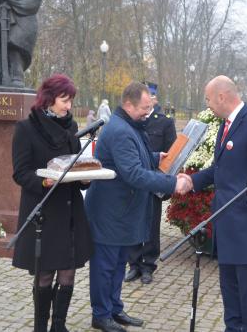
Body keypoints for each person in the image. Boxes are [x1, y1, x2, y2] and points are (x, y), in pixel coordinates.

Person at [178, 75, 247, 332]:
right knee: (230, 289)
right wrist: (192, 181)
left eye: (209, 99)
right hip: (226, 221)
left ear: (222, 96)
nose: (208, 104)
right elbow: (220, 169)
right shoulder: (226, 124)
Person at [84, 82, 188, 332]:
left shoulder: (129, 125)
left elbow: (132, 158)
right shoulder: (120, 130)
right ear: (128, 104)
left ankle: (114, 309)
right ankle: (100, 315)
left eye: (150, 107)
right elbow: (132, 173)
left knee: (119, 264)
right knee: (105, 266)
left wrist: (155, 158)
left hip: (122, 212)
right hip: (109, 212)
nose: (148, 112)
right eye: (144, 107)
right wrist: (173, 182)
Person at [11, 74, 93, 331]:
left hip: (70, 211)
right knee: (45, 274)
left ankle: (59, 324)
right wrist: (46, 181)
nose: (68, 106)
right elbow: (21, 172)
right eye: (64, 100)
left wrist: (85, 178)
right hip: (45, 211)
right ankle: (40, 326)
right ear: (49, 98)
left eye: (70, 101)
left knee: (68, 272)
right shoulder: (26, 128)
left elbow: (75, 164)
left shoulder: (71, 127)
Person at [125, 94, 177, 284]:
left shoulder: (164, 122)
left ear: (154, 99)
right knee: (133, 222)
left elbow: (171, 155)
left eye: (150, 96)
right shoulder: (132, 121)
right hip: (134, 181)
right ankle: (134, 264)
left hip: (154, 182)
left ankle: (148, 265)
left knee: (152, 225)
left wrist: (165, 182)